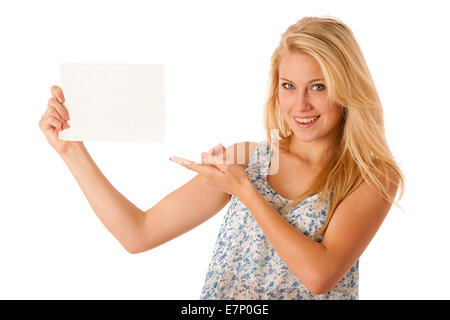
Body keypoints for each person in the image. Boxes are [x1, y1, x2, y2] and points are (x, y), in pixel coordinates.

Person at [38, 16, 405, 300]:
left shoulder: (371, 176)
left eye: (319, 87)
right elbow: (139, 233)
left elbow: (320, 276)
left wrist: (246, 192)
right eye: (289, 86)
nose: (301, 104)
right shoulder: (248, 159)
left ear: (346, 87)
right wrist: (71, 151)